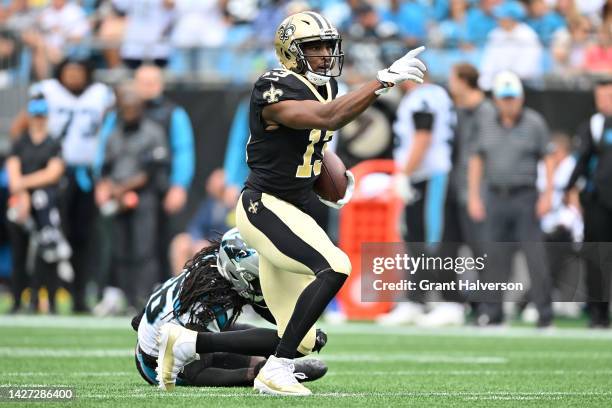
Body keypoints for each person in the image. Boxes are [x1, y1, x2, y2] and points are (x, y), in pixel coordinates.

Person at [153, 10, 426, 396]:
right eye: (313, 47)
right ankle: (275, 370)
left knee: (302, 339)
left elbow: (314, 143)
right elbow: (328, 119)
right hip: (261, 207)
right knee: (335, 265)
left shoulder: (326, 87)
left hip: (292, 208)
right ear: (290, 53)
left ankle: (185, 343)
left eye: (327, 45)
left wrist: (331, 179)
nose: (324, 54)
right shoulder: (272, 86)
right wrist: (380, 81)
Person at [133, 228, 327, 387]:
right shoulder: (206, 303)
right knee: (219, 346)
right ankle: (263, 369)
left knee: (232, 335)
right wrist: (252, 375)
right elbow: (197, 374)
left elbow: (254, 301)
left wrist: (297, 328)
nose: (266, 283)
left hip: (164, 329)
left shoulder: (214, 265)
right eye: (260, 278)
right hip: (155, 364)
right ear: (240, 273)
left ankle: (272, 364)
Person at [11, 59, 115, 313]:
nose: (74, 76)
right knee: (51, 239)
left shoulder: (100, 94)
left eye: (79, 71)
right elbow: (19, 128)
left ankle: (78, 297)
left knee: (81, 238)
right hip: (54, 178)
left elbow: (110, 126)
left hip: (85, 175)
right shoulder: (47, 92)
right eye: (69, 71)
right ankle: (42, 299)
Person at [467, 71, 554, 327]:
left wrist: (547, 194)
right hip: (495, 195)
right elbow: (476, 159)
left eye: (513, 98)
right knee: (494, 257)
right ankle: (494, 314)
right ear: (496, 99)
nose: (509, 103)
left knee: (534, 256)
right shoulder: (486, 123)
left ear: (521, 98)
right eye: (504, 98)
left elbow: (547, 158)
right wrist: (474, 196)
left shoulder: (534, 123)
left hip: (525, 196)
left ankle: (544, 315)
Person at [376, 72, 458, 327]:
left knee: (432, 240)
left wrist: (404, 173)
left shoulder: (424, 96)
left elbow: (423, 137)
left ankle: (449, 301)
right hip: (422, 176)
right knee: (415, 239)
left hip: (429, 175)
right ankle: (416, 300)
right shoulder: (435, 95)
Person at [95, 84, 169, 312]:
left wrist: (123, 188)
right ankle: (126, 299)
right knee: (120, 249)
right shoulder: (114, 134)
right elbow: (106, 167)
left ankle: (145, 299)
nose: (130, 113)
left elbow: (153, 169)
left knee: (143, 248)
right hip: (118, 199)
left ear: (141, 108)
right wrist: (109, 188)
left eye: (134, 108)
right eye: (125, 109)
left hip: (143, 197)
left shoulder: (153, 132)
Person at [6, 97, 69, 314]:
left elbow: (53, 174)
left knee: (48, 254)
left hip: (46, 206)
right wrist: (23, 194)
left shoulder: (53, 142)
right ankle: (17, 301)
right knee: (19, 253)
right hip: (22, 205)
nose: (38, 120)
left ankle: (49, 301)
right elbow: (13, 176)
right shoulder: (19, 142)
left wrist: (24, 185)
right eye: (35, 115)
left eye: (42, 115)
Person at [133, 64, 195, 281]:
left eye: (152, 82)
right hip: (132, 189)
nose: (147, 87)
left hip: (163, 186)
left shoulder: (173, 113)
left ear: (160, 85)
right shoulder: (123, 111)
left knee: (168, 240)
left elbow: (183, 151)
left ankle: (171, 291)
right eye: (142, 83)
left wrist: (179, 185)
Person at [564, 79, 612, 328]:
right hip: (598, 203)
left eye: (609, 95)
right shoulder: (592, 126)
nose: (604, 101)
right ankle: (598, 314)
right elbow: (581, 162)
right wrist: (569, 188)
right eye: (600, 96)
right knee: (596, 258)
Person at [169, 168, 231, 276]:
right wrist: (197, 240)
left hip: (223, 246)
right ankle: (180, 284)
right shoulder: (209, 204)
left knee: (202, 249)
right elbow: (195, 226)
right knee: (180, 242)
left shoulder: (235, 204)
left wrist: (210, 243)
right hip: (204, 243)